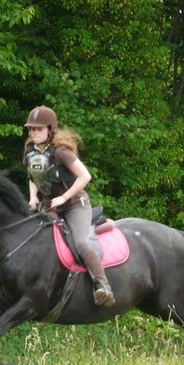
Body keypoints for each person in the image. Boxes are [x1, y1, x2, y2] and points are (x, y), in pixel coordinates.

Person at [23, 105, 115, 307]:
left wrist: (63, 197)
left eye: (38, 129)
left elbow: (85, 176)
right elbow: (33, 176)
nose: (34, 132)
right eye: (31, 129)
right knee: (42, 239)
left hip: (75, 204)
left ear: (50, 129)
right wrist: (33, 197)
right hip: (50, 206)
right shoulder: (30, 151)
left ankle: (103, 286)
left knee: (80, 243)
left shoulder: (61, 152)